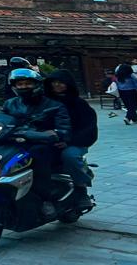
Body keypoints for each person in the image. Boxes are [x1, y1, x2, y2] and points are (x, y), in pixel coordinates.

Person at [1, 68, 71, 218]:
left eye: (28, 83)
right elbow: (1, 120)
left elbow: (63, 129)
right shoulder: (10, 104)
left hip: (43, 145)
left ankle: (46, 199)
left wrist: (53, 134)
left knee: (38, 154)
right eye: (20, 84)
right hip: (15, 142)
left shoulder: (54, 105)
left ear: (37, 84)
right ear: (14, 86)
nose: (24, 87)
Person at [44, 70, 97, 209]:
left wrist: (69, 141)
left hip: (74, 142)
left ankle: (81, 189)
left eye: (61, 82)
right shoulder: (44, 102)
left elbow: (88, 128)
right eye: (54, 82)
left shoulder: (79, 104)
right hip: (46, 140)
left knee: (70, 156)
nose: (57, 85)